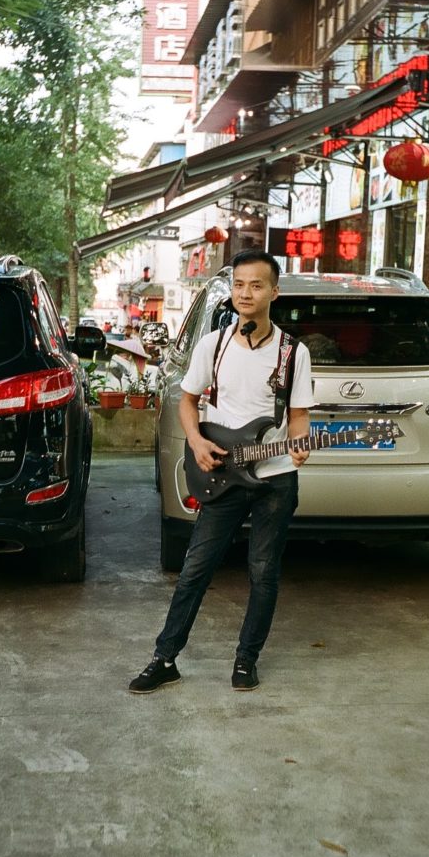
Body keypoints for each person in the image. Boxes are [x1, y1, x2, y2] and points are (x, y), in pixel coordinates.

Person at [129, 249, 314, 694]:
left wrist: (302, 445)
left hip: (275, 479)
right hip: (223, 473)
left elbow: (300, 416)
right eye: (238, 285)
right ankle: (164, 658)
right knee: (196, 568)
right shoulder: (213, 344)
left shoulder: (294, 353)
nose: (245, 293)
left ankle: (246, 660)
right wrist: (195, 442)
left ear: (274, 291)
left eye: (255, 285)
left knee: (263, 571)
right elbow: (188, 401)